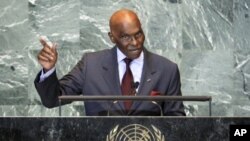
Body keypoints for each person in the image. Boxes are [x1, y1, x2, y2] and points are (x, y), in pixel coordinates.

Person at [34, 9, 186, 116]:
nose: (135, 42)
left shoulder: (167, 69)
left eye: (138, 34)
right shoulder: (90, 65)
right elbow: (53, 99)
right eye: (126, 37)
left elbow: (177, 121)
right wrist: (48, 70)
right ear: (112, 37)